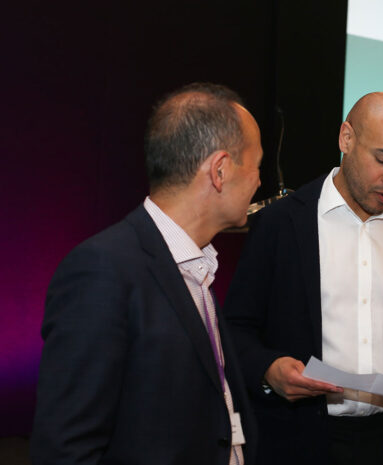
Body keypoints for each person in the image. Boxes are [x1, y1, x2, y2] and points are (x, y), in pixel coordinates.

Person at [32, 83, 263, 465]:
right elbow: (66, 448)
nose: (258, 180)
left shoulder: (197, 268)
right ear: (220, 170)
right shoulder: (102, 271)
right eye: (256, 164)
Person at [223, 92, 383, 465]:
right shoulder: (281, 223)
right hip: (296, 443)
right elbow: (236, 328)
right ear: (346, 138)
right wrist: (268, 370)